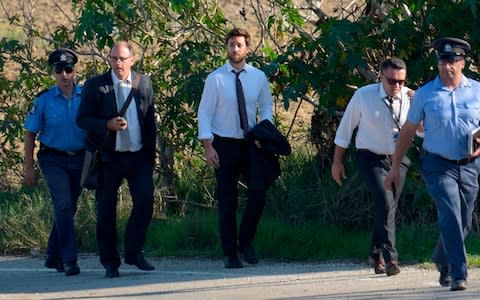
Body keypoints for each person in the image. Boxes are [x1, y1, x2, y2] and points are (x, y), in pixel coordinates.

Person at [384, 37, 480, 291]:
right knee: (449, 214)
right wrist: (394, 167)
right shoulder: (426, 94)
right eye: (443, 61)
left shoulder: (478, 91)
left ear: (463, 63)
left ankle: (442, 259)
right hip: (437, 164)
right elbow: (407, 131)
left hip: (470, 164)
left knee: (464, 219)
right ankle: (459, 273)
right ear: (437, 63)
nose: (447, 66)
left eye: (453, 61)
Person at [76, 41, 157, 278]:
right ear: (109, 60)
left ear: (132, 60)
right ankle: (110, 262)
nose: (118, 63)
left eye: (122, 59)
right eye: (114, 59)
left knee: (144, 202)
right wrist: (107, 124)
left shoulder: (144, 84)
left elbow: (150, 121)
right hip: (108, 158)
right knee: (106, 212)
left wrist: (152, 155)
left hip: (138, 156)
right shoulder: (95, 85)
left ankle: (133, 252)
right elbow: (82, 119)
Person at [198, 28, 275, 268]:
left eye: (239, 45)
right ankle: (230, 253)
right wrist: (208, 146)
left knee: (258, 193)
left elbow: (266, 108)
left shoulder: (258, 77)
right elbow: (205, 112)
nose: (235, 49)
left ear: (247, 48)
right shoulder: (216, 78)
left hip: (251, 143)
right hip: (223, 144)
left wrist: (265, 133)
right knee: (228, 201)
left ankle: (246, 242)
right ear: (227, 48)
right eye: (231, 44)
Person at [331, 57, 413, 276]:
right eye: (392, 81)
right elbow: (345, 130)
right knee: (386, 203)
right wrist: (337, 162)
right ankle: (391, 259)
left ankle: (375, 254)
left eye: (402, 82)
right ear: (380, 77)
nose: (397, 86)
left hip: (398, 159)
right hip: (370, 158)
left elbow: (422, 132)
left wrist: (420, 109)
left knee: (388, 207)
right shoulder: (363, 96)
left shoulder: (410, 97)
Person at [23, 48, 85, 276]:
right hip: (53, 159)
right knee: (63, 205)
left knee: (69, 207)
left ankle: (52, 255)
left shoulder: (85, 97)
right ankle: (70, 259)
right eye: (59, 70)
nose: (64, 75)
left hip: (79, 158)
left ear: (74, 71)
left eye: (68, 69)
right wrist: (28, 168)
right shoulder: (44, 100)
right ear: (54, 73)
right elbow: (30, 134)